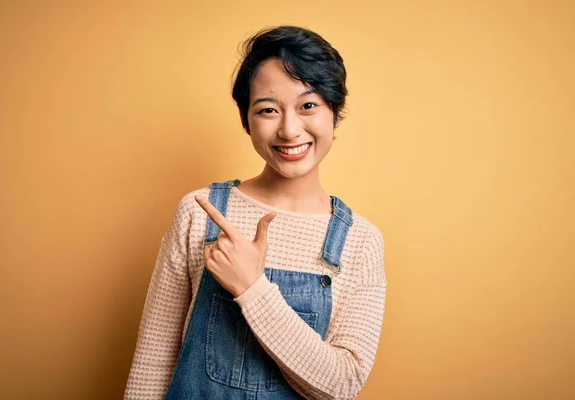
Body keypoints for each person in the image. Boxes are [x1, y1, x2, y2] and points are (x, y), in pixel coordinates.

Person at [124, 25, 386, 400]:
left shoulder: (361, 241)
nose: (290, 129)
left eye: (308, 105)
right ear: (246, 120)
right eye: (268, 110)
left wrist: (252, 289)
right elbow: (153, 361)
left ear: (335, 112)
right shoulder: (200, 212)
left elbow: (342, 385)